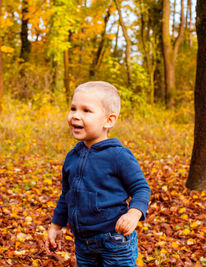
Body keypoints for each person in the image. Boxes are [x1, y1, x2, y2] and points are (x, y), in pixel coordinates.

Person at [45, 81, 151, 266]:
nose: (76, 116)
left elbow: (141, 188)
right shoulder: (72, 156)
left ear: (108, 120)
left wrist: (133, 214)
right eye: (73, 109)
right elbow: (66, 195)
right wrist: (56, 226)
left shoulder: (118, 155)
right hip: (83, 243)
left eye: (86, 111)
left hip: (115, 241)